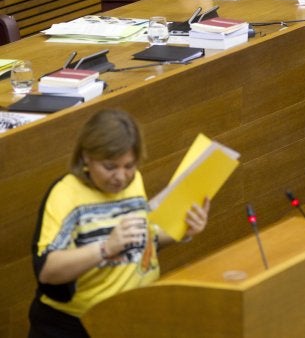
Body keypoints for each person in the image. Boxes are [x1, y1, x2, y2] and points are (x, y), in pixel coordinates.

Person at [28, 109, 211, 337]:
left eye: (129, 166)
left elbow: (141, 241)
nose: (121, 177)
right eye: (110, 167)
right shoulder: (65, 195)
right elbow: (47, 270)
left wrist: (182, 230)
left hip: (134, 317)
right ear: (86, 157)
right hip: (78, 327)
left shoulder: (134, 183)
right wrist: (105, 248)